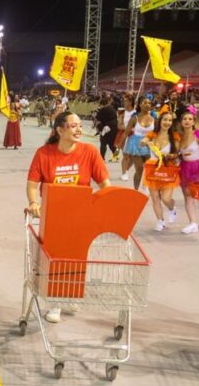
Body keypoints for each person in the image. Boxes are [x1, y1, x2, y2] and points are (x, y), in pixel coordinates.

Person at [25, 110, 111, 323]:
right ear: (59, 130)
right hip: (53, 215)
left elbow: (105, 184)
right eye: (73, 126)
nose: (79, 129)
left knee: (76, 258)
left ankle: (70, 293)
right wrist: (34, 203)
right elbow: (32, 184)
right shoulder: (44, 154)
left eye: (80, 125)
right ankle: (56, 302)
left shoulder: (90, 152)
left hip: (80, 215)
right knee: (56, 259)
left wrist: (106, 205)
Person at [140, 112, 180, 231]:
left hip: (168, 168)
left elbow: (176, 154)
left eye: (169, 120)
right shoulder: (152, 134)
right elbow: (142, 142)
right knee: (155, 197)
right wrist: (144, 142)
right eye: (165, 120)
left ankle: (172, 208)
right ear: (160, 121)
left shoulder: (175, 136)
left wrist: (169, 155)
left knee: (166, 198)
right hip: (153, 169)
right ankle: (160, 221)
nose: (167, 122)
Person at [120, 96, 154, 189]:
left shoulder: (154, 117)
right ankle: (136, 190)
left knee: (150, 169)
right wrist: (119, 146)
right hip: (136, 146)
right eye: (145, 103)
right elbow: (126, 133)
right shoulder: (134, 118)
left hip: (150, 146)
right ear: (140, 105)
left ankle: (146, 186)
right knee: (139, 169)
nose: (147, 105)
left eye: (149, 103)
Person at [93, 94, 119, 162]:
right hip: (115, 127)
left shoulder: (102, 110)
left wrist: (94, 126)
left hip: (107, 127)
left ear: (102, 104)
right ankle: (116, 156)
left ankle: (102, 158)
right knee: (111, 143)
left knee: (103, 142)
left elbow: (97, 120)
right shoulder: (112, 109)